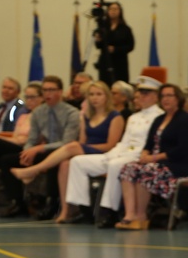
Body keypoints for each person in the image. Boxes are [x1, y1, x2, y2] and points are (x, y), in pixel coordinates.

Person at [10, 80, 124, 221]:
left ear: (106, 96)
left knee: (72, 146)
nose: (95, 97)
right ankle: (66, 210)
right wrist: (81, 148)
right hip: (85, 152)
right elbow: (83, 141)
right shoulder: (86, 117)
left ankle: (34, 170)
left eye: (99, 94)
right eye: (92, 94)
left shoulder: (115, 117)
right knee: (64, 164)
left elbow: (111, 145)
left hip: (106, 153)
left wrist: (82, 148)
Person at [64, 75, 164, 227]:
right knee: (77, 161)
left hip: (137, 157)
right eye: (139, 94)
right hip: (121, 154)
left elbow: (149, 145)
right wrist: (109, 154)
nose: (140, 98)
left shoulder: (159, 117)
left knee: (115, 165)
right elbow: (124, 142)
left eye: (146, 94)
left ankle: (108, 210)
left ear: (155, 97)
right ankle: (83, 208)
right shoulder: (134, 117)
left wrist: (119, 156)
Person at [114, 83, 188, 230]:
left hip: (178, 164)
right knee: (129, 168)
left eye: (169, 96)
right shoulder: (159, 119)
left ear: (178, 98)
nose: (166, 99)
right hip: (156, 162)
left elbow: (183, 149)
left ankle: (141, 216)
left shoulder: (185, 120)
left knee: (147, 171)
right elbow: (148, 144)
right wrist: (145, 154)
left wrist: (154, 158)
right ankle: (130, 215)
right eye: (163, 96)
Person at [0, 75, 81, 217]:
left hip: (62, 150)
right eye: (44, 90)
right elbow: (32, 139)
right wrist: (27, 152)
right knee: (7, 160)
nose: (47, 94)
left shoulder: (72, 113)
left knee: (55, 160)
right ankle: (18, 202)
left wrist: (38, 148)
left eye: (51, 90)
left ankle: (52, 202)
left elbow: (67, 141)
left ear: (60, 92)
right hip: (42, 149)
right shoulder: (38, 112)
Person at [0, 82, 40, 216]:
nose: (29, 100)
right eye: (27, 97)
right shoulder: (19, 114)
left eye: (32, 97)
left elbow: (27, 137)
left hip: (27, 147)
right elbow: (15, 134)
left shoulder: (18, 107)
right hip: (12, 143)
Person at [93, 2, 135, 85]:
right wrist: (98, 40)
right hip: (105, 61)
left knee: (119, 84)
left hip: (120, 62)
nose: (113, 11)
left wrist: (115, 49)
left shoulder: (125, 29)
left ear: (120, 11)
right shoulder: (103, 27)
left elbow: (130, 46)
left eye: (116, 9)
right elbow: (99, 46)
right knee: (104, 84)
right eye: (111, 9)